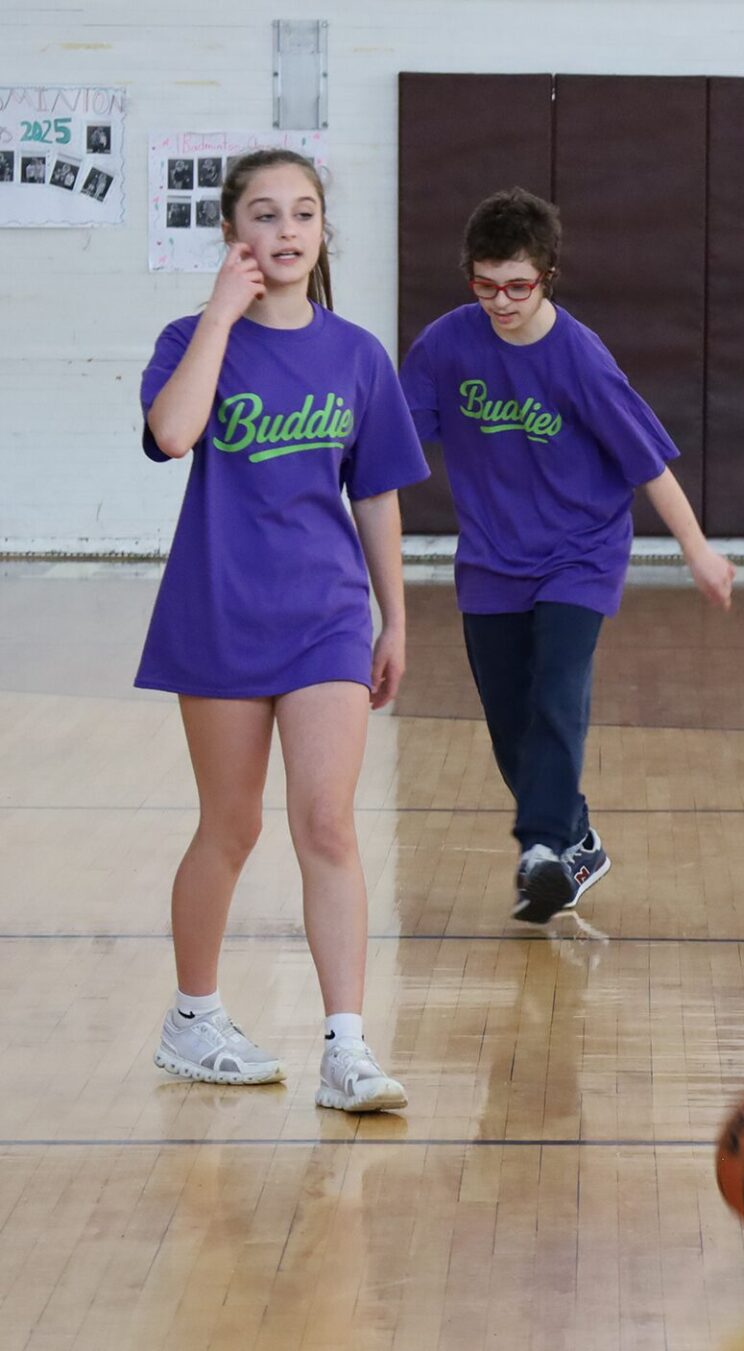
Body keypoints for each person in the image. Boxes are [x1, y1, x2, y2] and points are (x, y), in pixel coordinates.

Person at [141, 149, 429, 1113]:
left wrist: (396, 616)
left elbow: (377, 492)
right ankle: (192, 1019)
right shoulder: (191, 336)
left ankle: (345, 1045)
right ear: (235, 237)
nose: (287, 230)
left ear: (321, 233)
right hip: (218, 608)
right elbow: (173, 432)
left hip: (327, 619)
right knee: (229, 826)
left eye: (303, 212)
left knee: (327, 823)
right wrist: (220, 316)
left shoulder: (356, 354)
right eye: (264, 215)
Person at [401, 188, 734, 924]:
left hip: (579, 554)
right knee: (508, 722)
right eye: (484, 285)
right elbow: (393, 440)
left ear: (548, 274)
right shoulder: (447, 345)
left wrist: (698, 550)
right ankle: (577, 834)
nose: (501, 301)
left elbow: (648, 462)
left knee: (556, 692)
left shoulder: (579, 357)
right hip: (491, 559)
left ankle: (545, 850)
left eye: (517, 285)